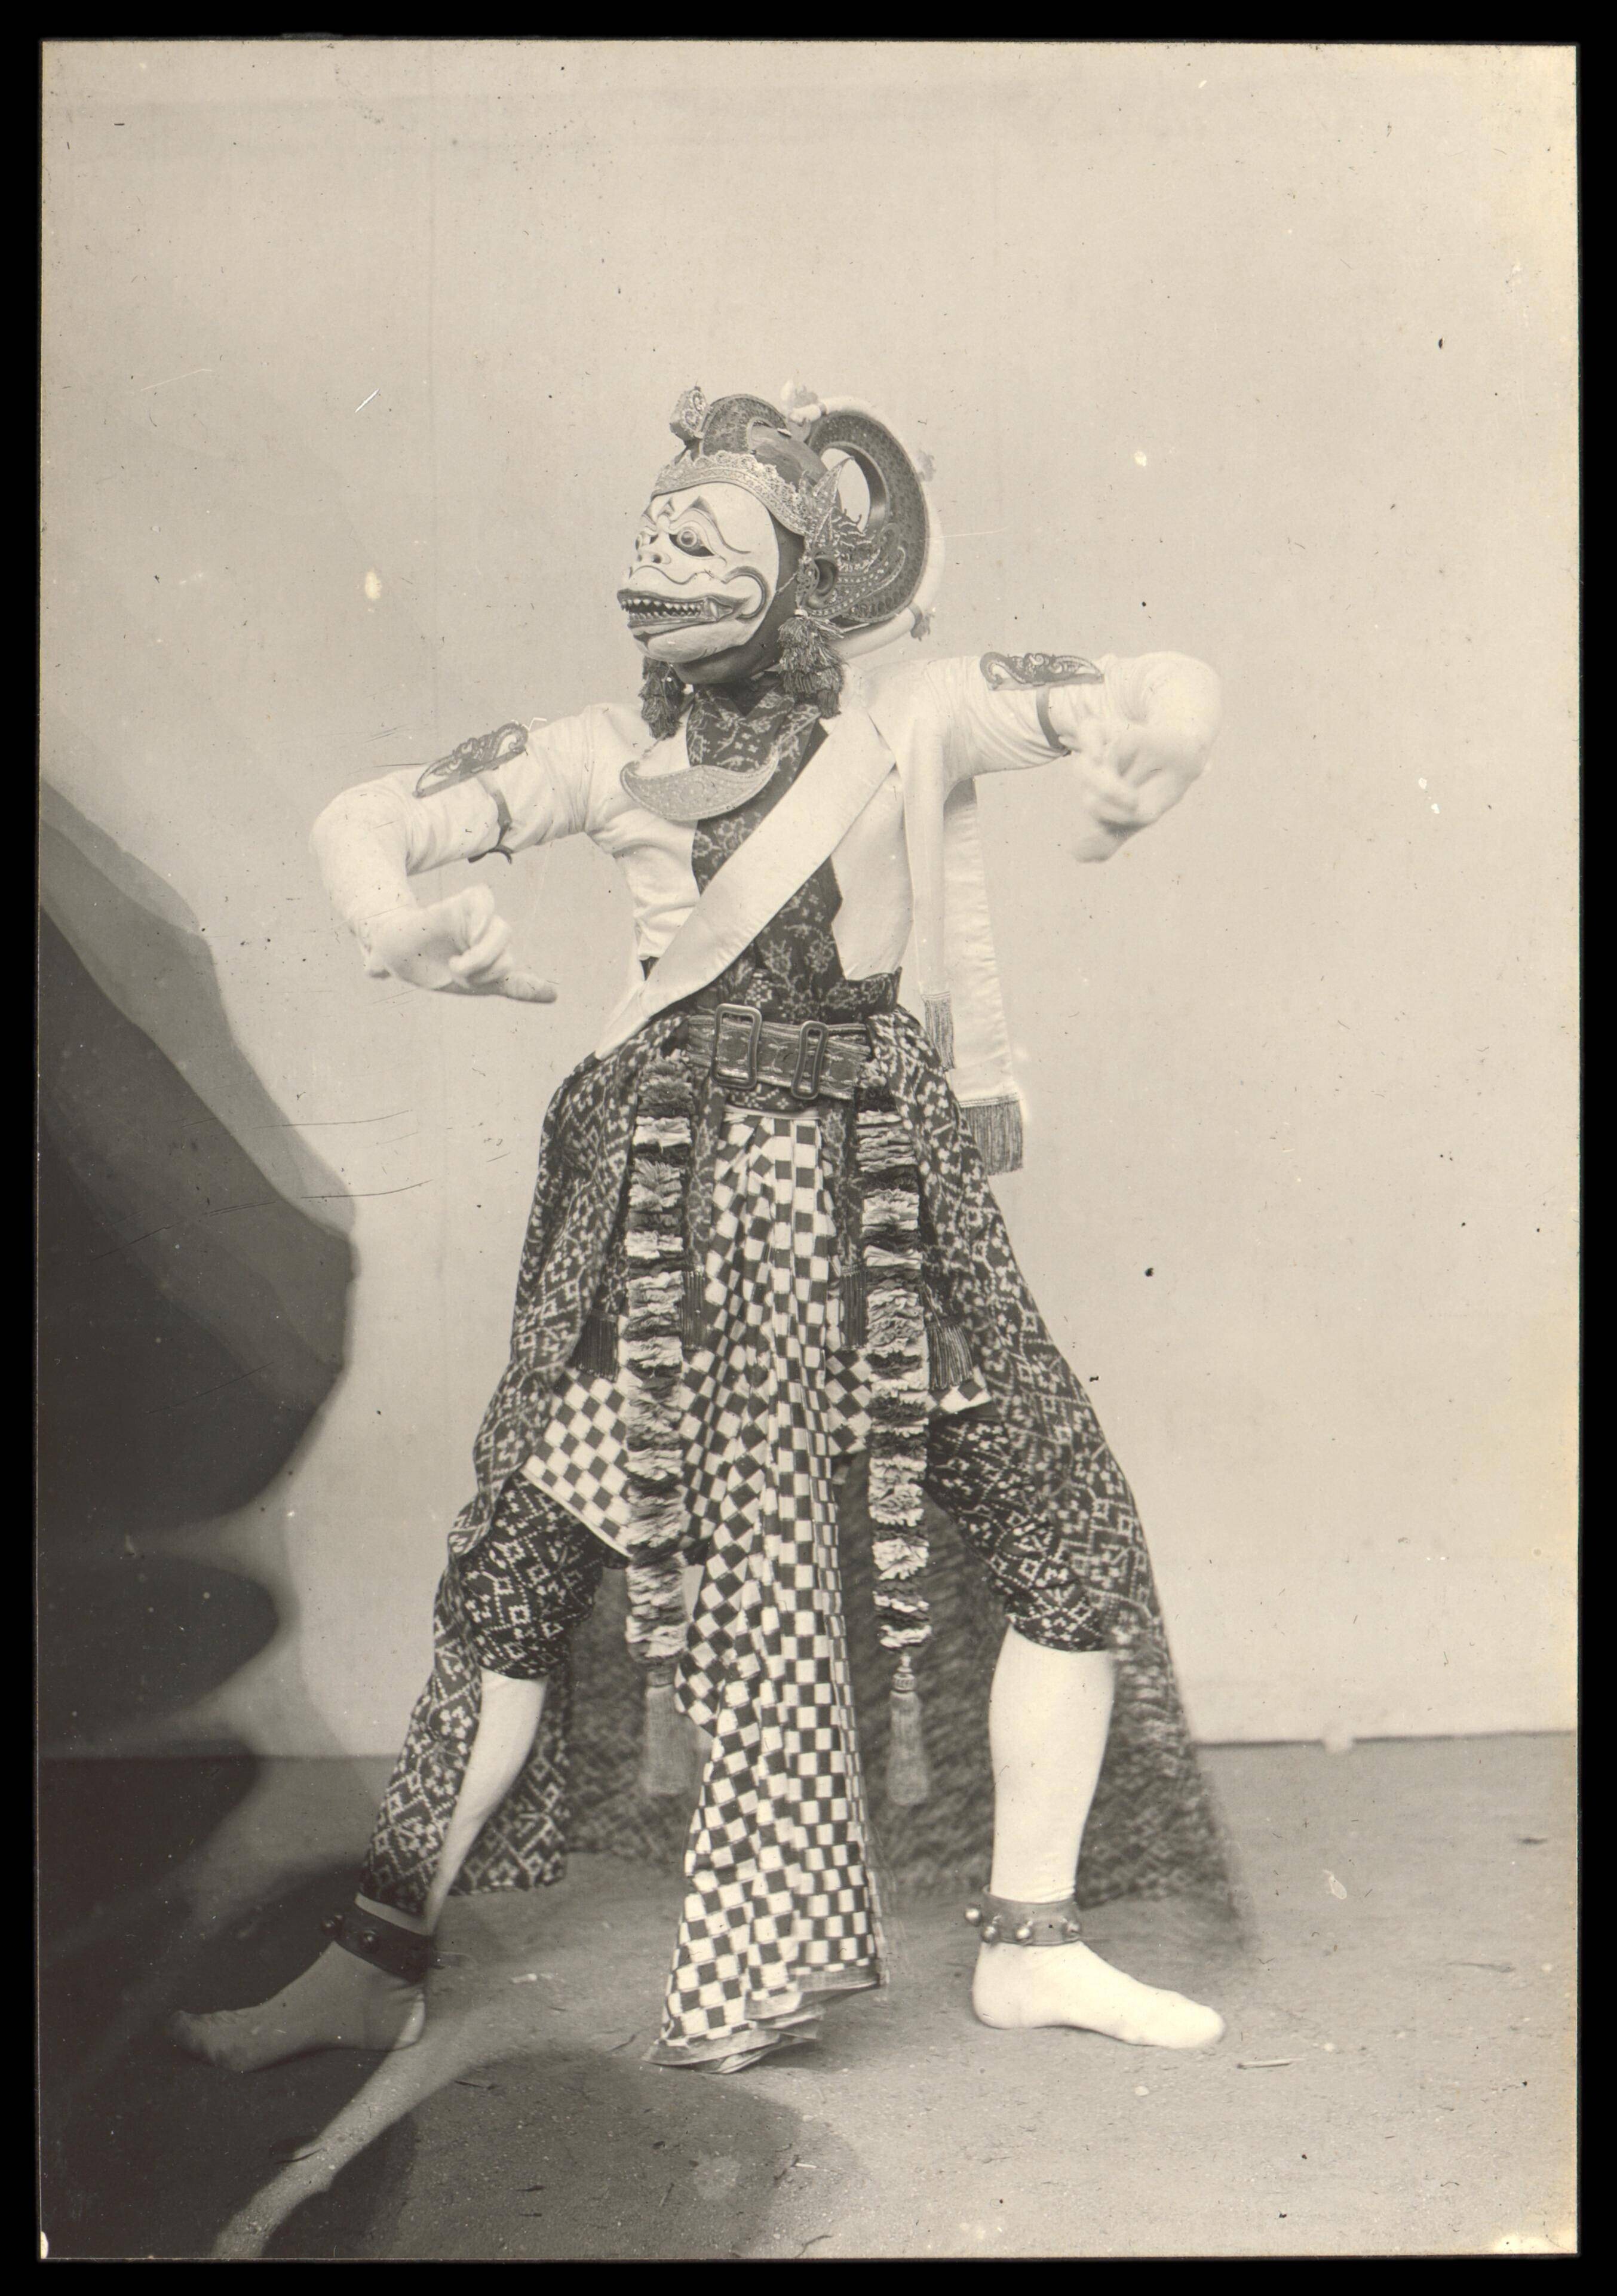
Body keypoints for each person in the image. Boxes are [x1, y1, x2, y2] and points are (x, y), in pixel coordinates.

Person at [173, 382, 1233, 2078]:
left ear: (805, 576)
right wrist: (390, 919)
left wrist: (1167, 734)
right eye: (652, 533)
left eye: (706, 537)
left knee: (1067, 1535)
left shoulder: (915, 716)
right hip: (676, 1215)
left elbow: (1148, 677)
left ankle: (1030, 1947)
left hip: (886, 1201)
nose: (661, 562)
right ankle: (372, 1958)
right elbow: (364, 817)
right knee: (516, 1571)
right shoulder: (613, 751)